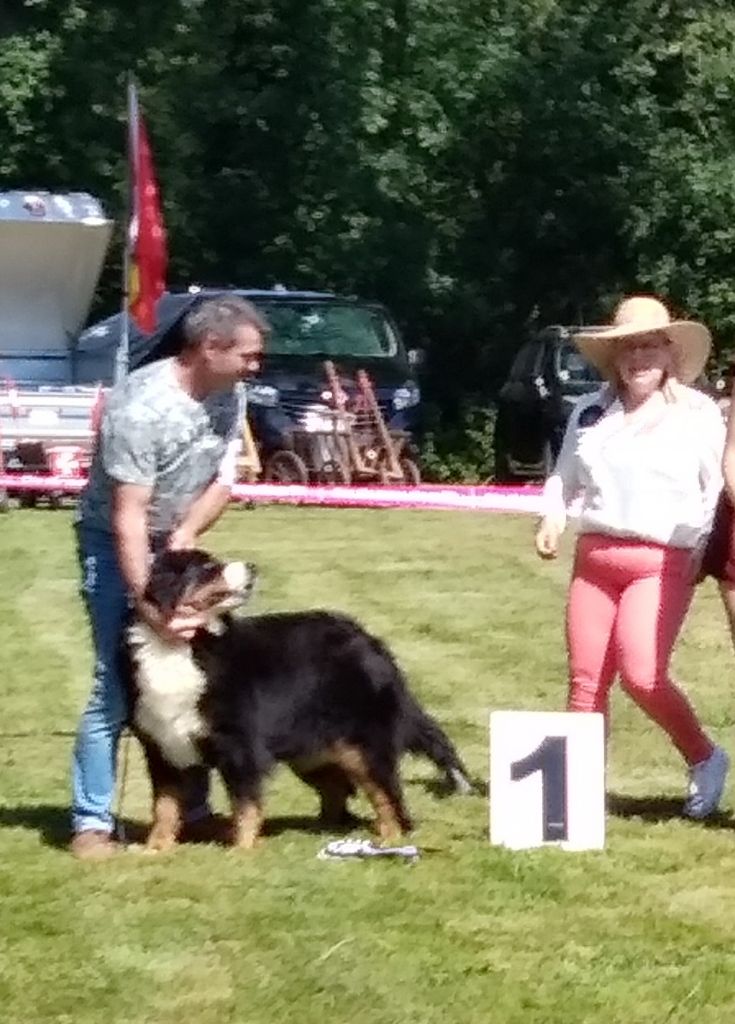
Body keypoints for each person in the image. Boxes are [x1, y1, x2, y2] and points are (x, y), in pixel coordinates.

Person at [71, 295, 267, 859]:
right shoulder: (141, 407)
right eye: (250, 356)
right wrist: (150, 601)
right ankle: (92, 821)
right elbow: (127, 515)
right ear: (209, 348)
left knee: (199, 676)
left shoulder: (232, 393)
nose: (257, 366)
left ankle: (195, 811)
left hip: (178, 534)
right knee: (117, 685)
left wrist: (184, 540)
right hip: (116, 543)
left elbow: (225, 478)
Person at [534, 294, 729, 819]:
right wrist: (552, 516)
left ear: (670, 353)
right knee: (585, 682)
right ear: (614, 356)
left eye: (650, 346)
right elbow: (563, 478)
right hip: (594, 558)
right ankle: (572, 802)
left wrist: (705, 546)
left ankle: (705, 758)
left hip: (664, 559)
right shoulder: (590, 411)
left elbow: (717, 488)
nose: (638, 357)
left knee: (644, 675)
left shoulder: (699, 414)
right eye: (628, 347)